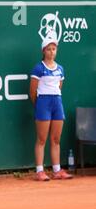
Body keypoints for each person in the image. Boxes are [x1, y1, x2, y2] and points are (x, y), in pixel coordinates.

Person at [30, 33, 73, 181]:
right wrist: (39, 106)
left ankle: (57, 170)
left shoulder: (60, 69)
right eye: (49, 49)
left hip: (57, 103)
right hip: (43, 104)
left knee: (56, 139)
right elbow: (32, 92)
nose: (52, 52)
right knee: (41, 139)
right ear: (43, 50)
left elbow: (59, 87)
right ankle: (40, 171)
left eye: (54, 49)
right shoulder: (38, 69)